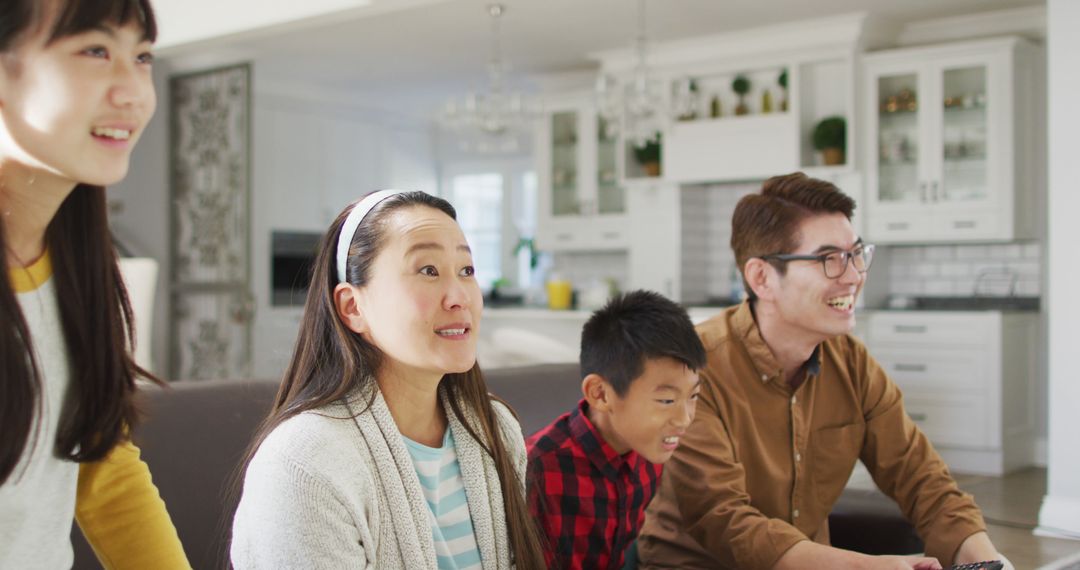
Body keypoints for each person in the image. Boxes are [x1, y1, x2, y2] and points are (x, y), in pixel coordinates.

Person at [637, 172, 1009, 570]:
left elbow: (923, 481)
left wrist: (988, 561)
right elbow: (725, 520)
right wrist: (866, 567)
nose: (853, 276)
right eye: (828, 259)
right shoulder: (691, 368)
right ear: (762, 277)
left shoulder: (851, 362)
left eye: (855, 254)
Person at [230, 190, 547, 569]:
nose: (459, 296)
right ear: (353, 307)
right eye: (428, 270)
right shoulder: (304, 463)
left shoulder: (495, 429)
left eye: (466, 270)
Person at [0, 0, 190, 567]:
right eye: (95, 50)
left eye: (142, 57)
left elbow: (100, 465)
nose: (133, 92)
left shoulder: (77, 266)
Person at [526, 290, 706, 569]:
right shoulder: (537, 470)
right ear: (600, 394)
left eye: (693, 396)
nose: (684, 419)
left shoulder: (648, 451)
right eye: (666, 400)